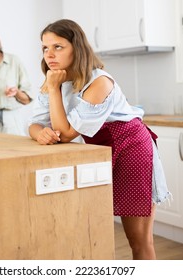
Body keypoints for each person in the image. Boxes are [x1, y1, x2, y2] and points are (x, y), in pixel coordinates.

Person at [28, 19, 172, 260]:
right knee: (94, 231)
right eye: (45, 48)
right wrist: (39, 133)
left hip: (132, 149)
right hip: (98, 151)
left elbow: (65, 133)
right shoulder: (55, 79)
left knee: (138, 240)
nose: (49, 55)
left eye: (58, 47)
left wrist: (53, 90)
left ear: (77, 47)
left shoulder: (99, 82)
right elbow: (34, 123)